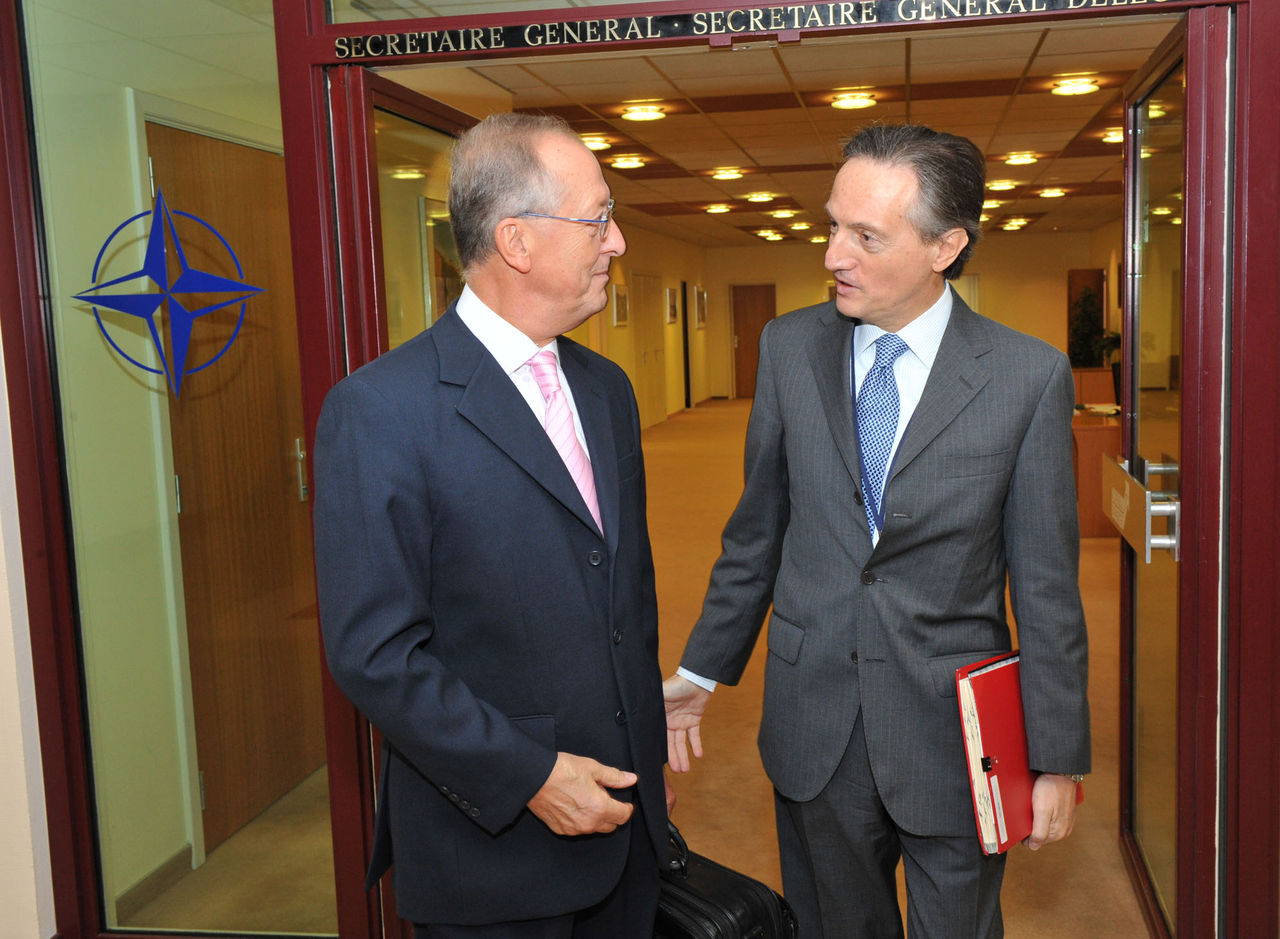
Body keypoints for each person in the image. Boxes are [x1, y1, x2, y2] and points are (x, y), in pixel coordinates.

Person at [663, 124, 1090, 938]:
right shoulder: (789, 348)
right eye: (832, 225)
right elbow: (757, 533)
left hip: (954, 732)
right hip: (814, 719)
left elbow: (1046, 586)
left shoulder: (1027, 376)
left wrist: (1056, 756)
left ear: (945, 247)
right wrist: (700, 670)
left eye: (865, 236)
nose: (833, 254)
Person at [313, 112, 669, 939]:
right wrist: (532, 775)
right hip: (494, 856)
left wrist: (647, 767)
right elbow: (375, 654)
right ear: (517, 240)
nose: (617, 242)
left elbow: (626, 595)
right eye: (599, 218)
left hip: (626, 833)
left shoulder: (606, 389)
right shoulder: (380, 410)